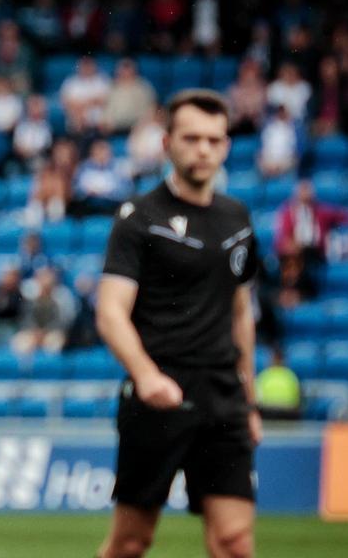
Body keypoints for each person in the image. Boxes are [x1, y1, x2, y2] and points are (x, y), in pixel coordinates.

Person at [95, 90, 262, 558]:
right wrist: (146, 376)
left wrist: (249, 402)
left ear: (226, 146)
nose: (203, 149)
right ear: (167, 143)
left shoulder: (238, 218)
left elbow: (241, 313)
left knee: (234, 542)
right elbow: (110, 312)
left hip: (223, 397)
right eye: (191, 138)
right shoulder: (138, 218)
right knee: (131, 542)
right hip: (159, 396)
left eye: (214, 139)